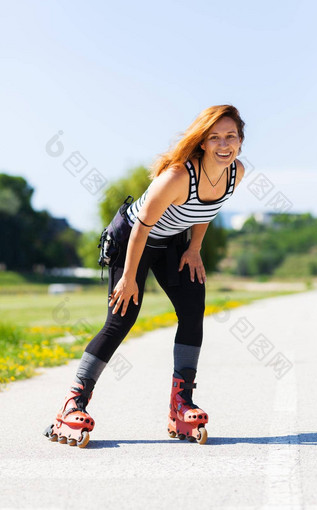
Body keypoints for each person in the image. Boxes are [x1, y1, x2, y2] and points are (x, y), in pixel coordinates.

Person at [44, 104, 246, 447]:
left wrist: (194, 248)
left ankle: (180, 405)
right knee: (122, 317)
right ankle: (71, 404)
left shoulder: (234, 172)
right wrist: (129, 277)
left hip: (172, 241)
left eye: (231, 136)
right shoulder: (179, 176)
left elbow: (206, 210)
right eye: (215, 137)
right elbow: (141, 226)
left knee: (193, 310)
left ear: (240, 140)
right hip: (133, 239)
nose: (224, 144)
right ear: (202, 142)